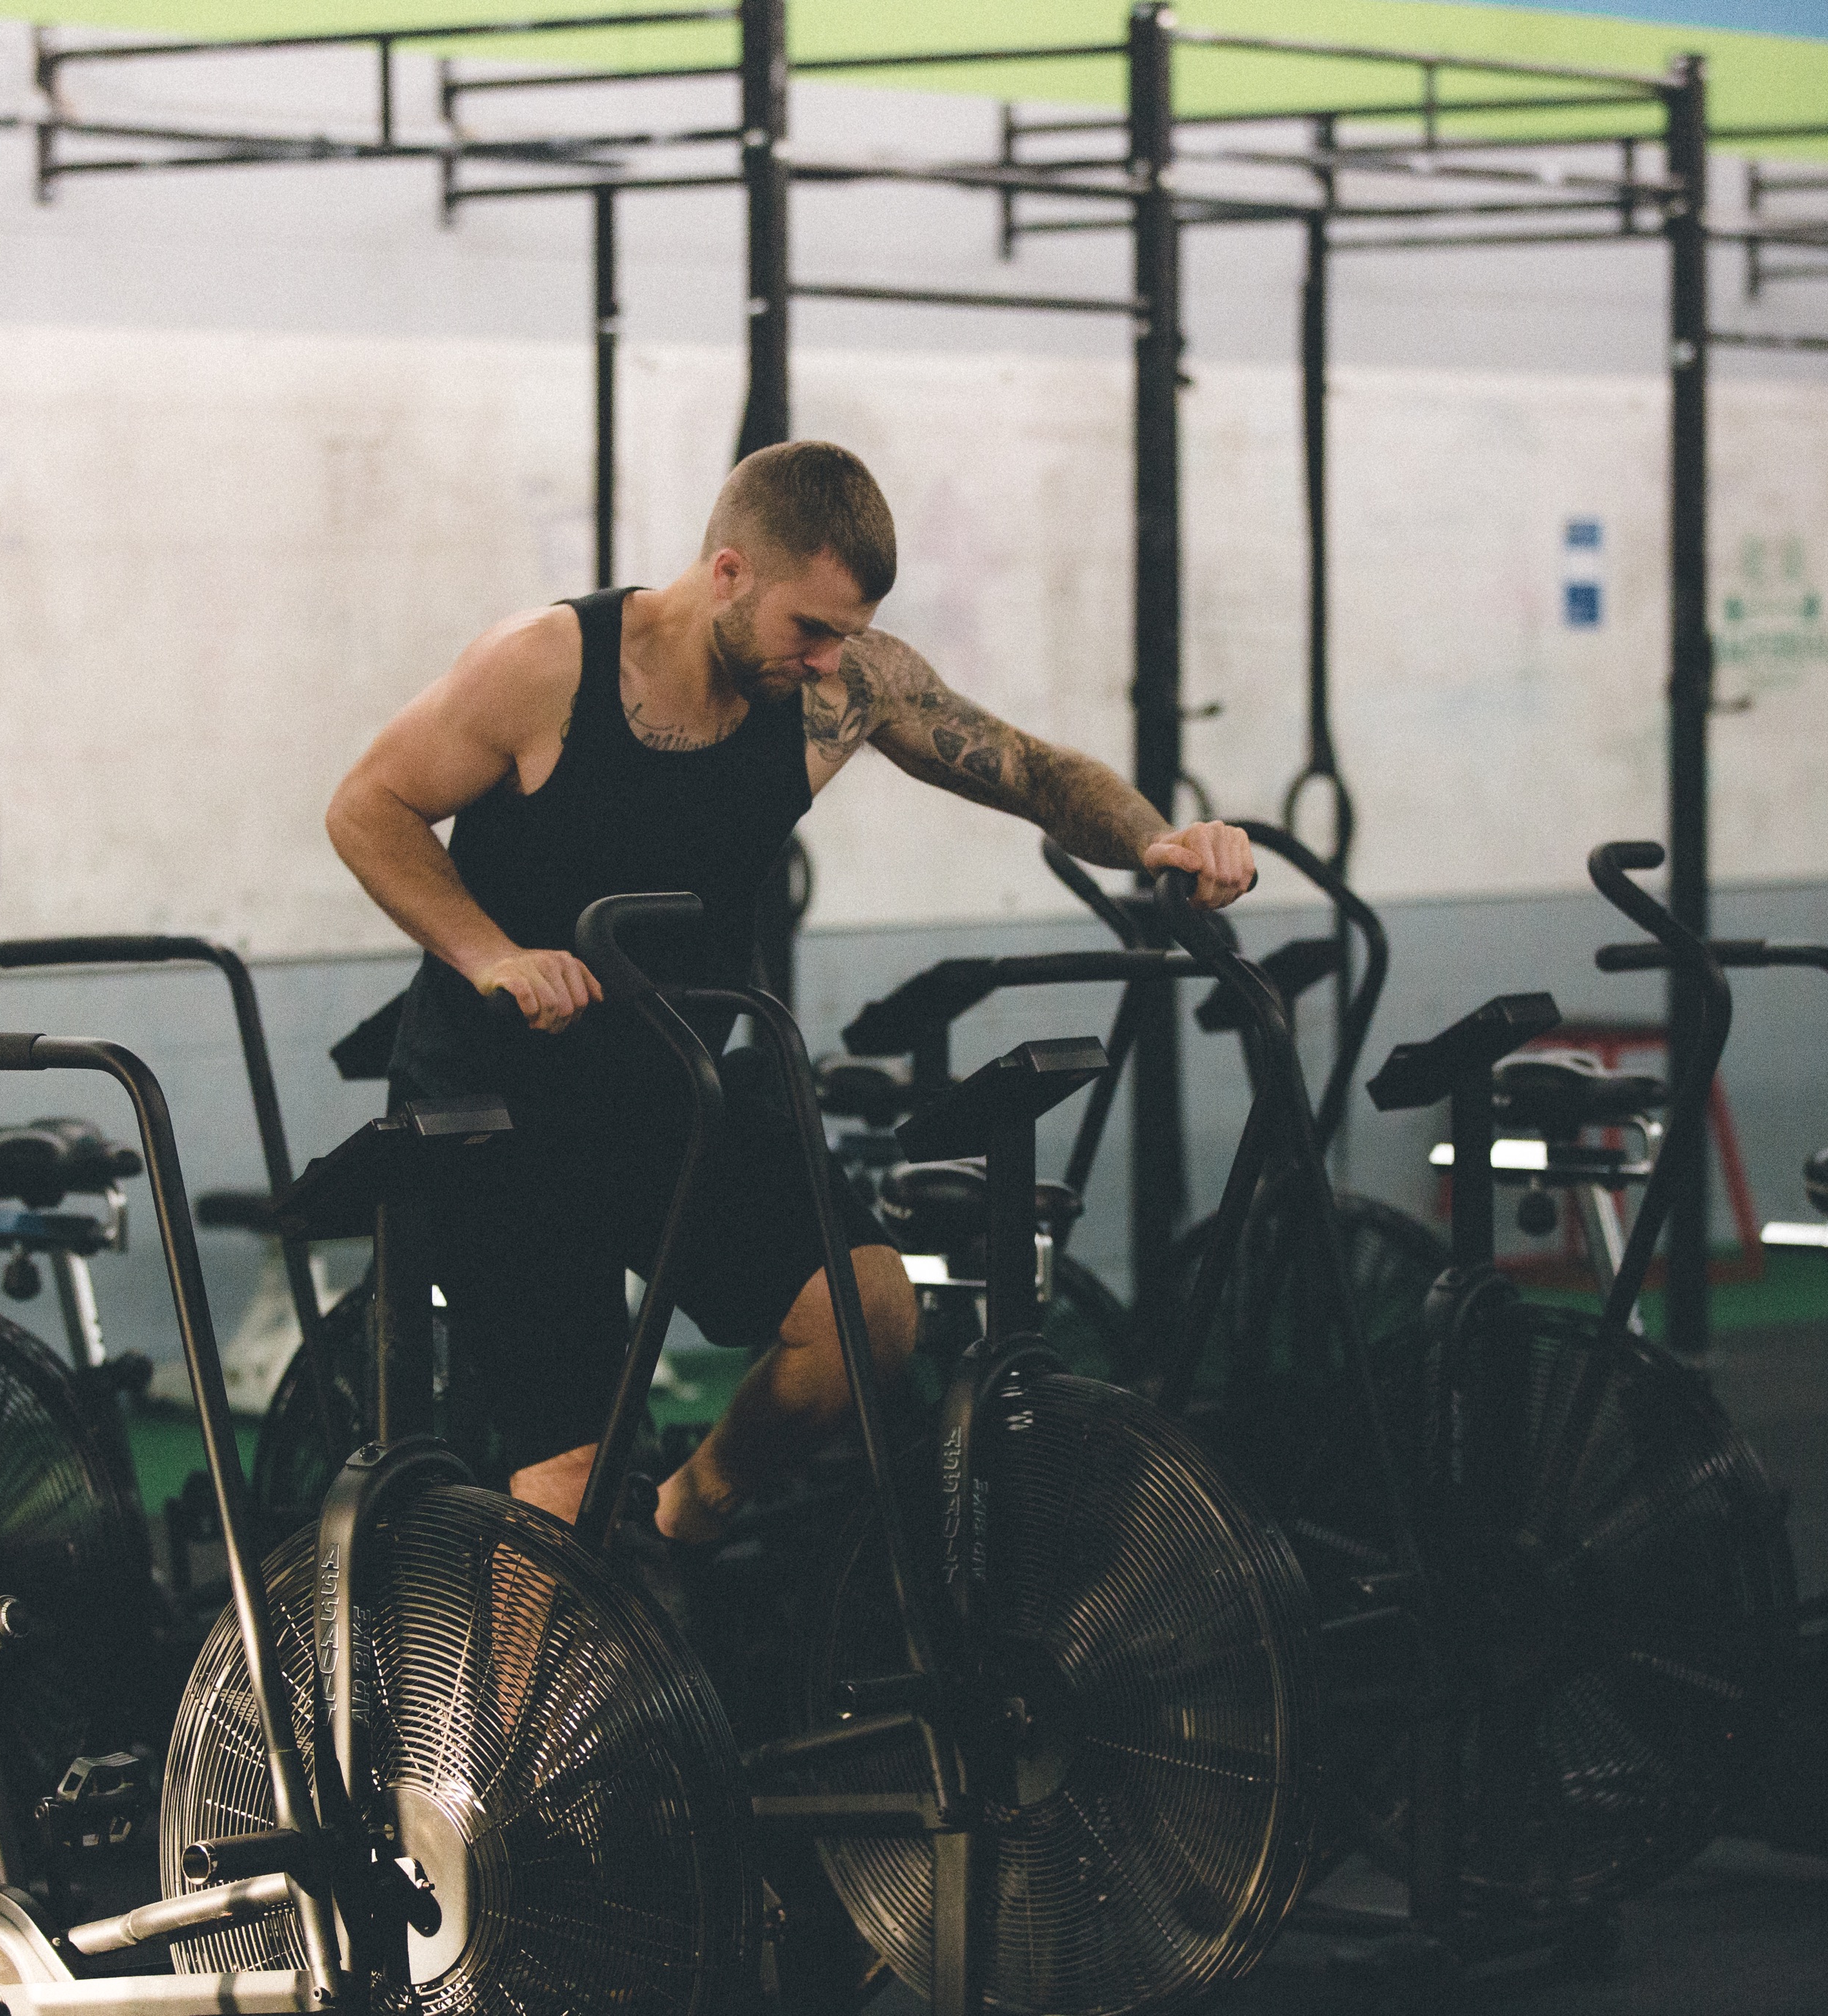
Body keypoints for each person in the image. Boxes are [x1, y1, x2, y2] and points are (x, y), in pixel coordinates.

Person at [327, 440, 1256, 1545]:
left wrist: (1160, 839)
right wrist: (491, 955)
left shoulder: (842, 687)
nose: (828, 661)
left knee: (868, 1318)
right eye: (809, 629)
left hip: (671, 1087)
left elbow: (1035, 769)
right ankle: (532, 1708)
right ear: (729, 573)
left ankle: (679, 1528)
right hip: (499, 1112)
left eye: (847, 634)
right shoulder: (546, 668)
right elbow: (368, 806)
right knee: (573, 1485)